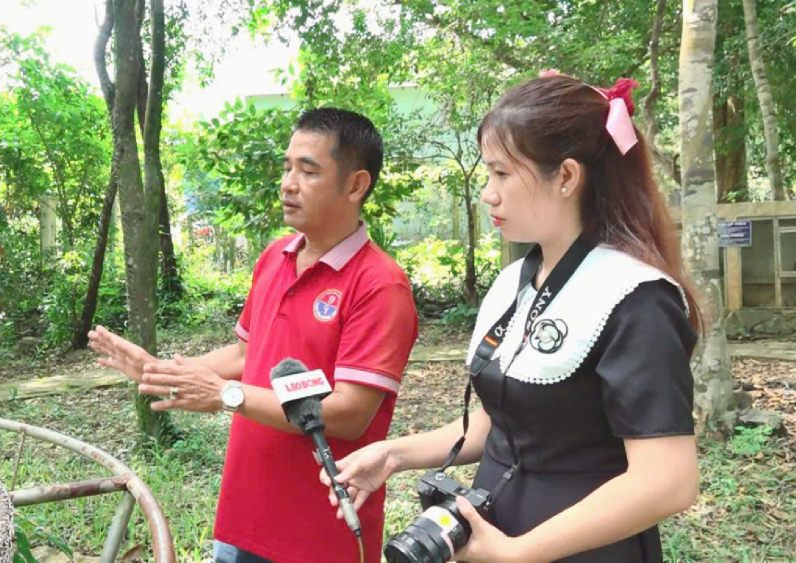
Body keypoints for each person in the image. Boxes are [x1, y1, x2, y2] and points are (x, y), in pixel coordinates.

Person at [323, 74, 701, 562]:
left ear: (566, 177)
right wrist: (393, 454)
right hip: (498, 535)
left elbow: (667, 480)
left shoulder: (636, 297)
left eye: (501, 174)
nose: (488, 194)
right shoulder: (517, 281)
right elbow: (503, 424)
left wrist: (519, 552)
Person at [89, 107, 418, 562]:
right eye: (287, 168)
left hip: (318, 535)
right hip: (244, 516)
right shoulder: (275, 258)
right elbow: (247, 354)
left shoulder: (380, 285)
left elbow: (349, 413)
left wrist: (226, 395)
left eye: (308, 171)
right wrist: (161, 371)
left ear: (355, 185)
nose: (288, 184)